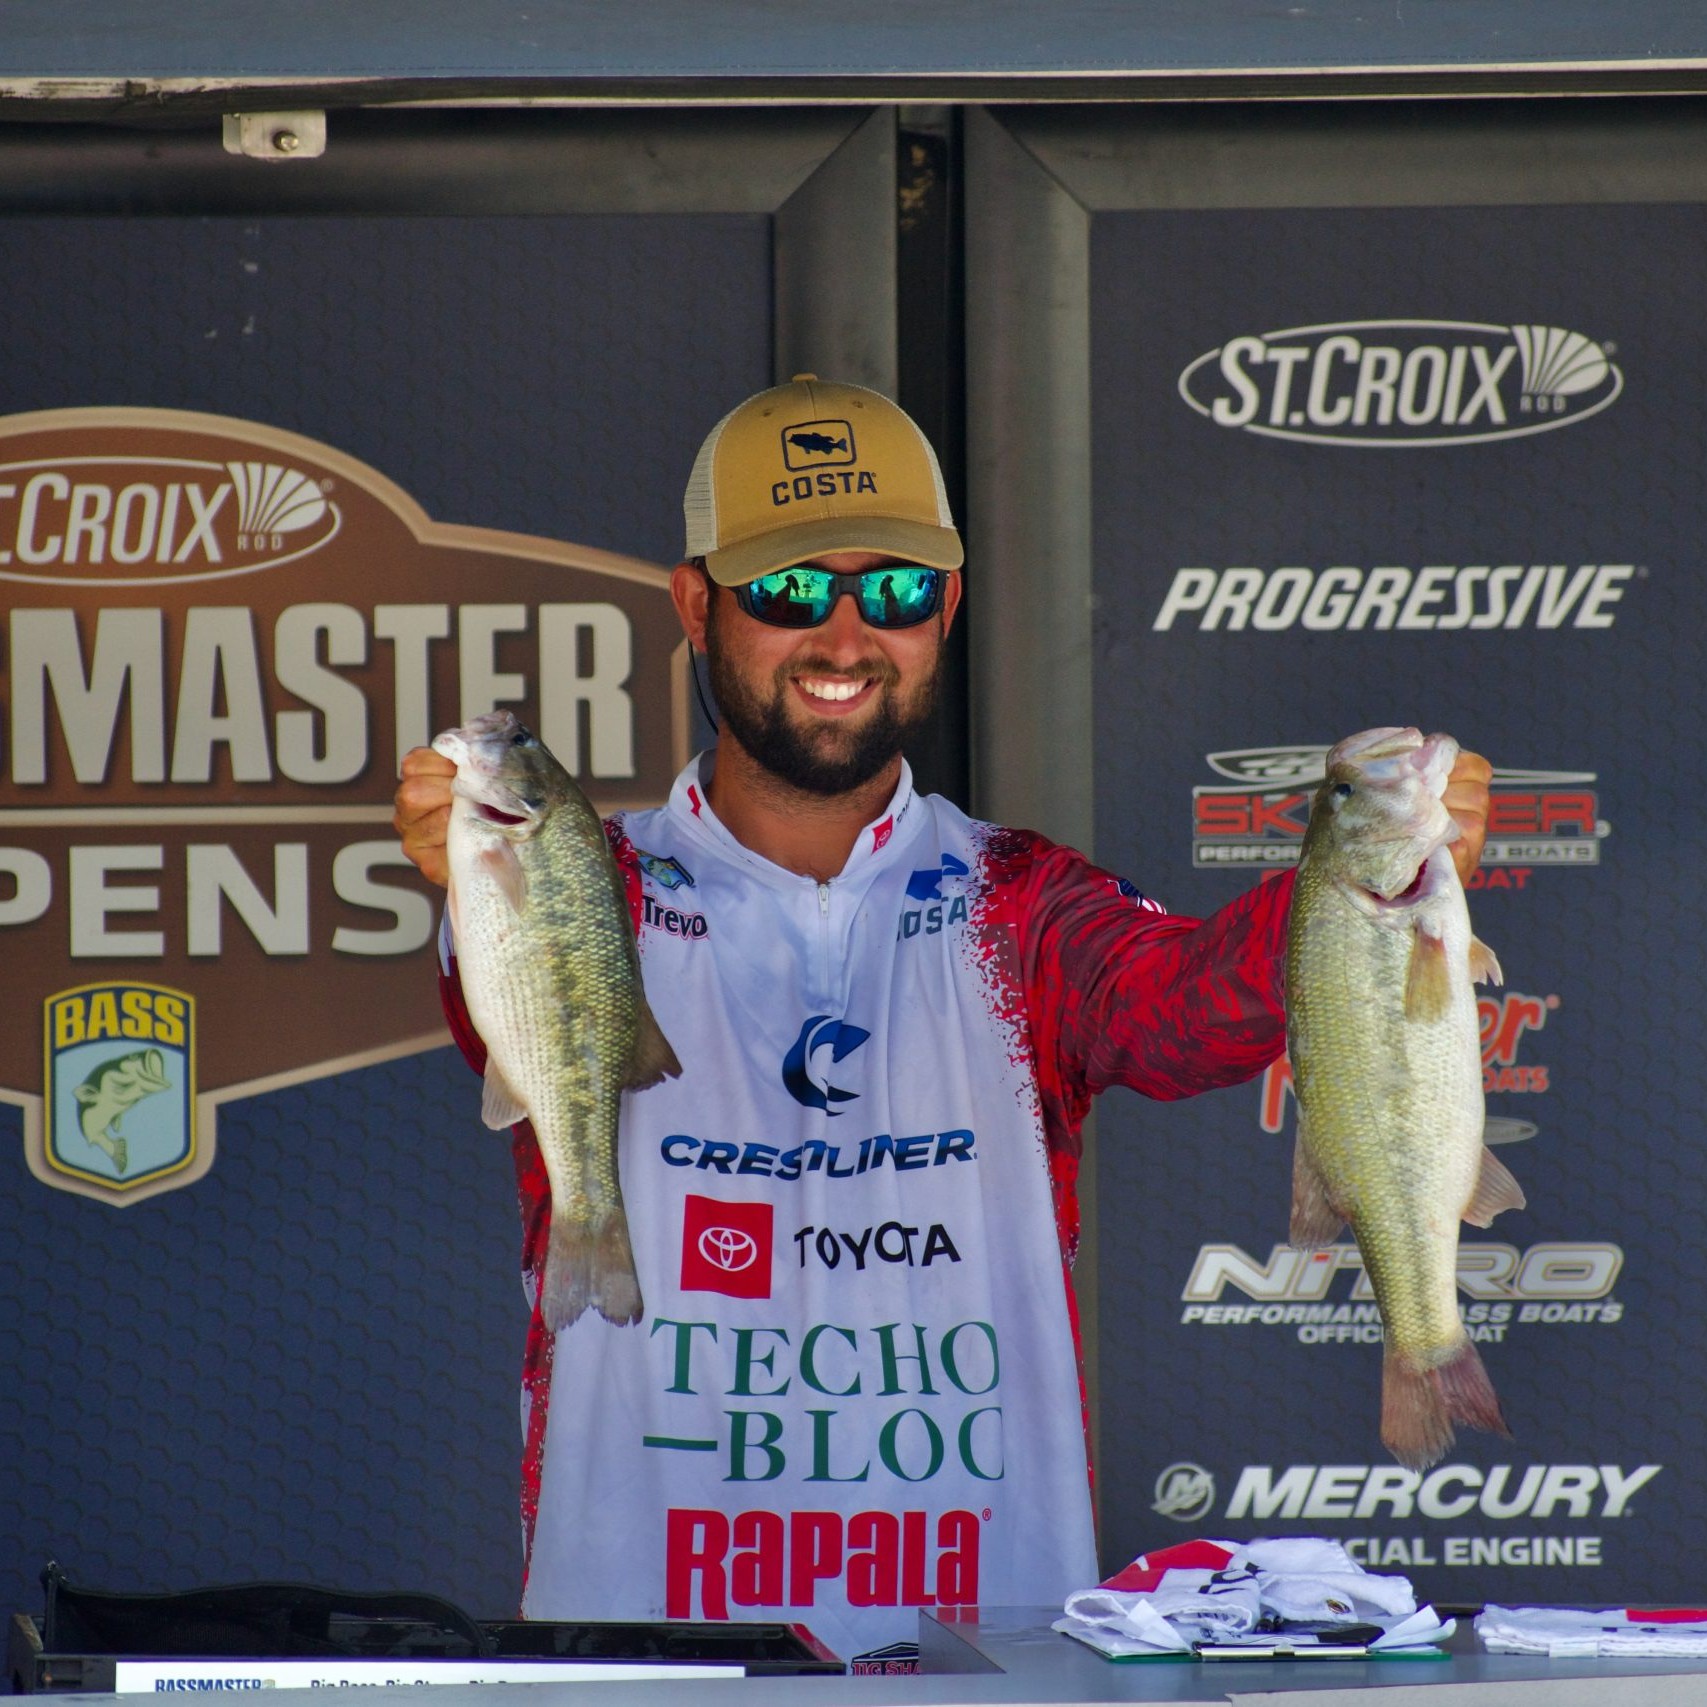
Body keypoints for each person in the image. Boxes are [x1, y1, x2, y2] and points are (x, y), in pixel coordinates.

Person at [392, 374, 1491, 1669]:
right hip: (638, 1659)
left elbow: (1191, 1011)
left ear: (948, 609)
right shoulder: (590, 883)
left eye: (898, 590)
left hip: (987, 1665)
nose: (845, 635)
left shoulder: (1020, 901)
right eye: (789, 590)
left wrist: (1364, 887)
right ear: (696, 606)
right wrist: (474, 877)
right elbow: (492, 1025)